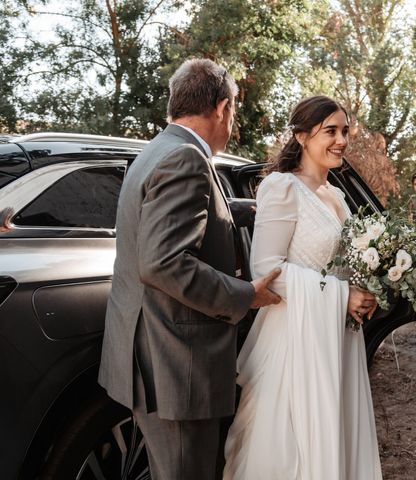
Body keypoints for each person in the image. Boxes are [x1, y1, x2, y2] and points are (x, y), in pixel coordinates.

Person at [98, 59, 282, 479]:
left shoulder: (158, 150)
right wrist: (245, 295)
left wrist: (246, 209)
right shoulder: (186, 159)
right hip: (175, 366)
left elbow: (187, 215)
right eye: (233, 110)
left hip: (150, 356)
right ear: (221, 107)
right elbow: (164, 262)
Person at [223, 96, 383, 480]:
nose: (341, 140)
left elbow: (344, 261)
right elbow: (266, 269)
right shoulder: (282, 187)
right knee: (290, 449)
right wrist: (341, 296)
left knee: (337, 434)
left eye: (344, 131)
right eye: (330, 131)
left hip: (336, 338)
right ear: (301, 136)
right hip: (296, 339)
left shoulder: (337, 196)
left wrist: (364, 288)